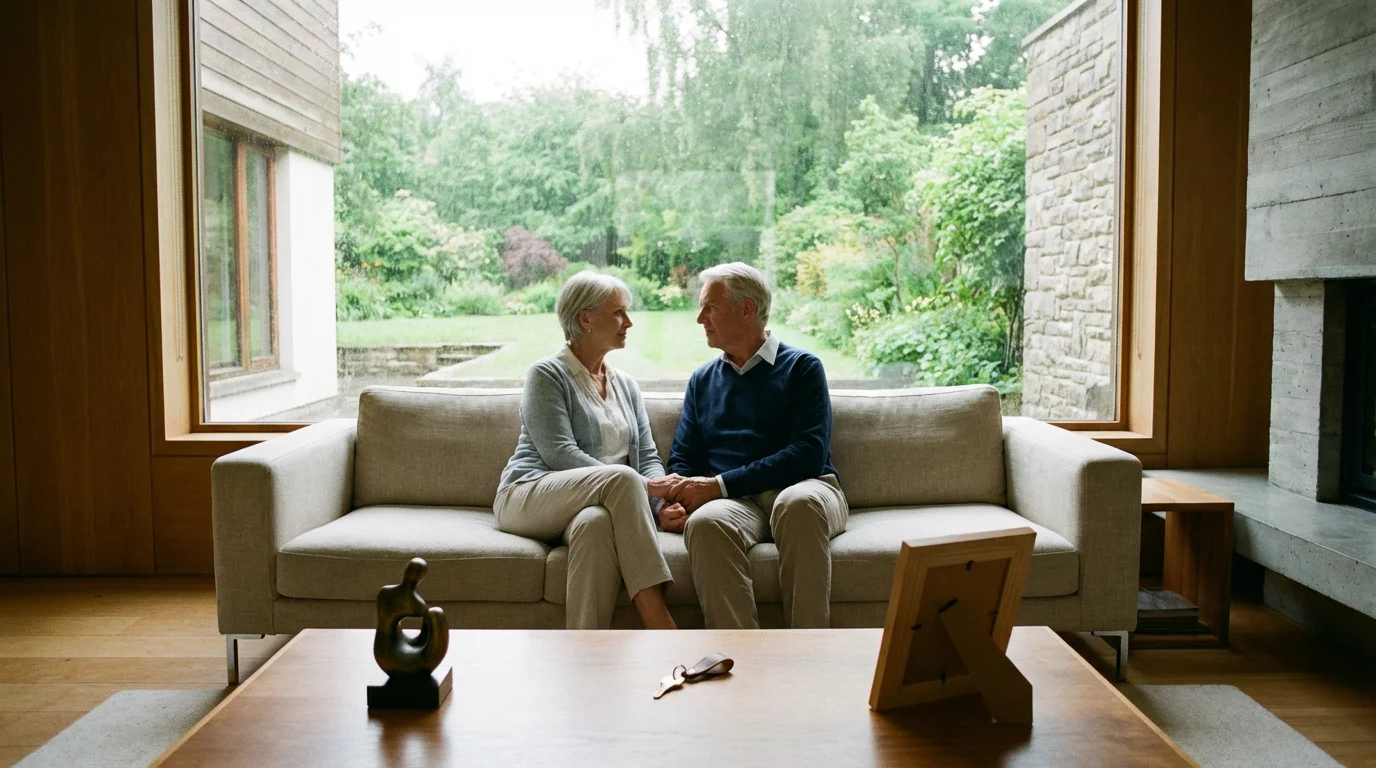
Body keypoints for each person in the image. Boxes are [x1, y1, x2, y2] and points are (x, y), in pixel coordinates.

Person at [494, 271, 683, 630]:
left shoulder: (625, 385)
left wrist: (660, 506)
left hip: (596, 504)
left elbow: (646, 454)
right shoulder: (547, 375)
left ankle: (585, 653)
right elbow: (559, 453)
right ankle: (659, 621)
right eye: (618, 313)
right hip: (529, 495)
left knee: (596, 525)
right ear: (585, 318)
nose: (628, 322)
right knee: (623, 479)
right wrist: (644, 488)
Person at [664, 262, 849, 629]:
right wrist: (669, 503)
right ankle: (741, 662)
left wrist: (718, 485)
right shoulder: (702, 381)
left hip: (805, 490)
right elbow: (683, 458)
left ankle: (809, 655)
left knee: (796, 504)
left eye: (710, 307)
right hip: (737, 505)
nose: (700, 318)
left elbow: (808, 454)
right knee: (704, 524)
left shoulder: (802, 368)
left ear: (746, 310)